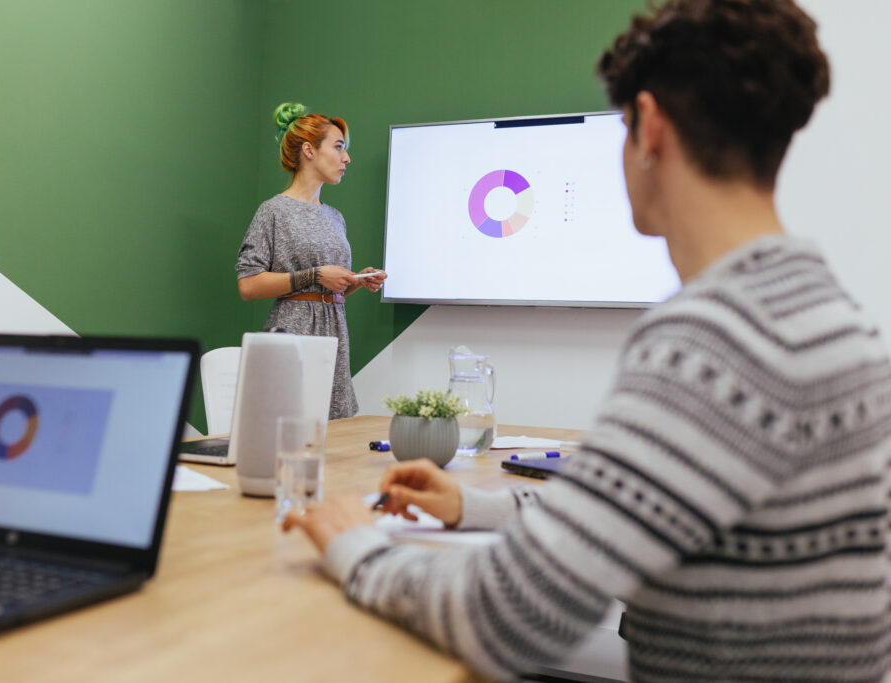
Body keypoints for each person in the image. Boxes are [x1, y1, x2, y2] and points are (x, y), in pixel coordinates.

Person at [283, 1, 891, 680]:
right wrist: (473, 505)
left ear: (650, 127)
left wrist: (357, 548)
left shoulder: (711, 341)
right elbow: (628, 504)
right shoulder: (821, 312)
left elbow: (509, 615)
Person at [235, 103, 387, 420]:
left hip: (335, 336)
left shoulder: (335, 217)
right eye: (338, 147)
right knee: (289, 431)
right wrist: (316, 275)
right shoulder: (273, 211)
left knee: (333, 435)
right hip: (293, 336)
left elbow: (327, 289)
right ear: (309, 150)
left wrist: (355, 281)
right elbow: (248, 285)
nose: (346, 158)